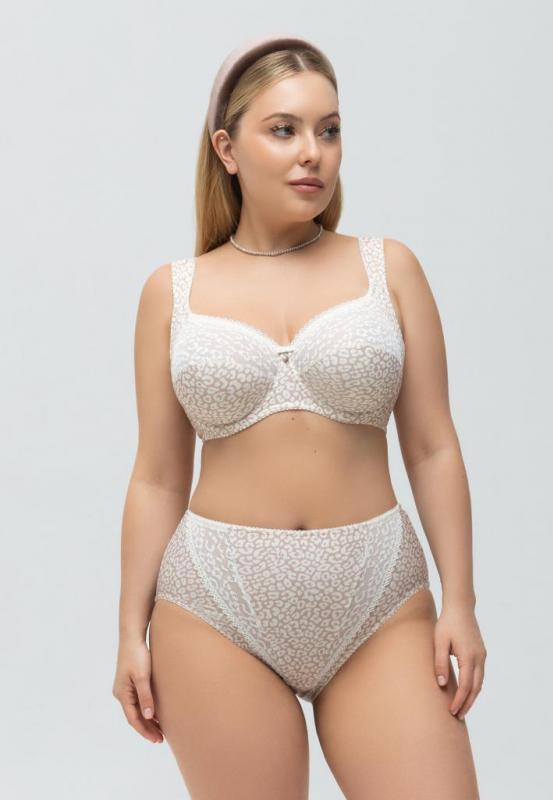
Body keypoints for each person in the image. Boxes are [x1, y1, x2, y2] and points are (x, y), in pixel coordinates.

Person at [112, 33, 486, 799]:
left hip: (379, 602)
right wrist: (128, 631)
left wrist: (462, 602)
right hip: (213, 607)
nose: (312, 151)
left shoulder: (389, 269)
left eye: (329, 129)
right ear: (227, 148)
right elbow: (156, 478)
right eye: (283, 129)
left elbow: (431, 447)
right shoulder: (171, 293)